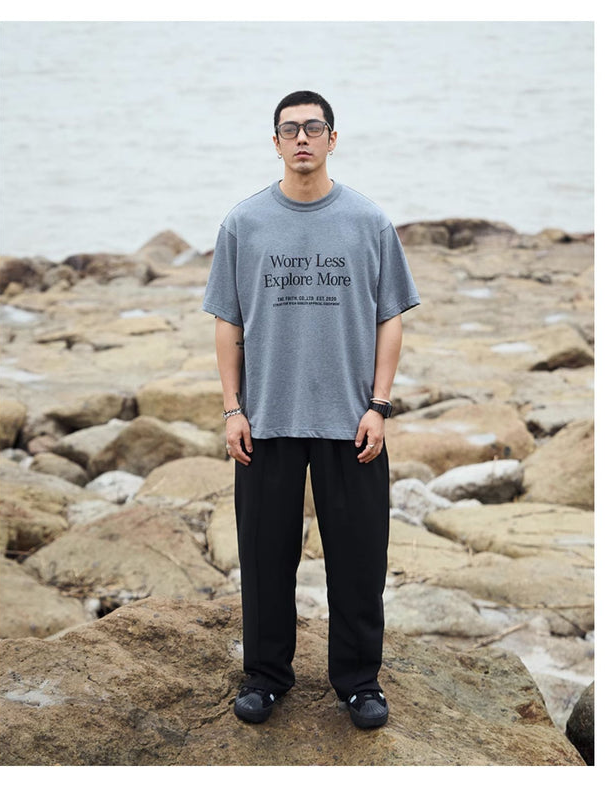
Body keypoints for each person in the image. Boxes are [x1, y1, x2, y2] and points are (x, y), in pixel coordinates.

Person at [202, 90, 420, 729]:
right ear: (275, 143)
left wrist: (379, 405)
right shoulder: (244, 224)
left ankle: (359, 683)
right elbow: (227, 322)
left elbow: (390, 317)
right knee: (265, 559)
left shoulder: (367, 221)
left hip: (351, 422)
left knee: (359, 559)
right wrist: (232, 409)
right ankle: (266, 678)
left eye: (313, 127)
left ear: (332, 138)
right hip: (266, 421)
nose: (302, 138)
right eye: (290, 129)